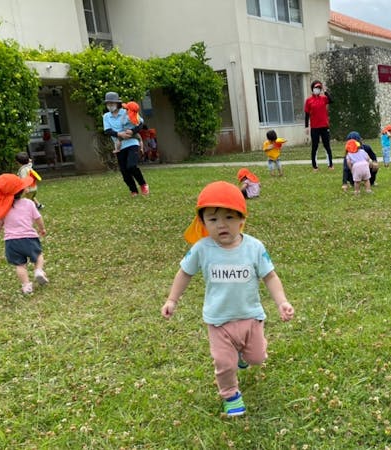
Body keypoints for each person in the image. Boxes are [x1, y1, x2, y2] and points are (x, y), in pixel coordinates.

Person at [161, 181, 294, 417]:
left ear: (242, 219)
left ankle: (243, 354)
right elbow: (184, 273)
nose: (221, 225)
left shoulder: (254, 247)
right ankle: (231, 394)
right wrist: (172, 300)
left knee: (257, 357)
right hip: (219, 320)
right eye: (213, 219)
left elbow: (270, 276)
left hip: (251, 317)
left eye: (229, 218)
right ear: (202, 222)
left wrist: (281, 301)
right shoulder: (202, 249)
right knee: (225, 363)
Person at [0, 173, 49, 295]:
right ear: (21, 191)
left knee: (20, 265)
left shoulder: (2, 208)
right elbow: (38, 218)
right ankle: (38, 270)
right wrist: (42, 229)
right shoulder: (28, 203)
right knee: (38, 256)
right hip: (29, 238)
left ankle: (26, 286)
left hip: (11, 242)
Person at [102, 92, 150, 197]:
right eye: (108, 104)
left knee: (131, 165)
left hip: (132, 142)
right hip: (119, 145)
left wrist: (132, 131)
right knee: (124, 171)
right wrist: (119, 134)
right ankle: (133, 190)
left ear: (117, 103)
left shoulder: (127, 112)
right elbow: (107, 131)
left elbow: (140, 123)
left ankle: (143, 184)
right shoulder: (106, 116)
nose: (110, 105)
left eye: (112, 103)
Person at [304, 80, 333, 171]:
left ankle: (330, 164)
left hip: (324, 126)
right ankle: (315, 166)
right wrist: (306, 127)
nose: (317, 89)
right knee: (315, 146)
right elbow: (307, 114)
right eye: (316, 88)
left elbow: (331, 100)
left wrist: (325, 91)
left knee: (327, 145)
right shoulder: (309, 101)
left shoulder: (323, 98)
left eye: (319, 88)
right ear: (312, 89)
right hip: (314, 127)